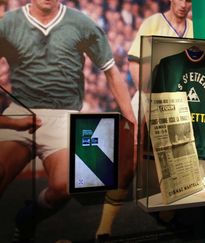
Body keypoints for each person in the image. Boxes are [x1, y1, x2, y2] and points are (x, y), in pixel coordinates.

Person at [0, 0, 136, 241]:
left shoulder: (82, 23)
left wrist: (131, 122)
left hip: (64, 114)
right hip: (20, 109)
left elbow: (112, 73)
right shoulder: (8, 24)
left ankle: (27, 218)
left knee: (64, 187)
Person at [95, 0, 193, 239]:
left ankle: (168, 217)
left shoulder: (194, 27)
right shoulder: (153, 22)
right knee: (129, 163)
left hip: (180, 102)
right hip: (148, 99)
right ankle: (104, 228)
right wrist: (150, 98)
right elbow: (134, 63)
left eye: (189, 0)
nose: (184, 4)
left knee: (177, 160)